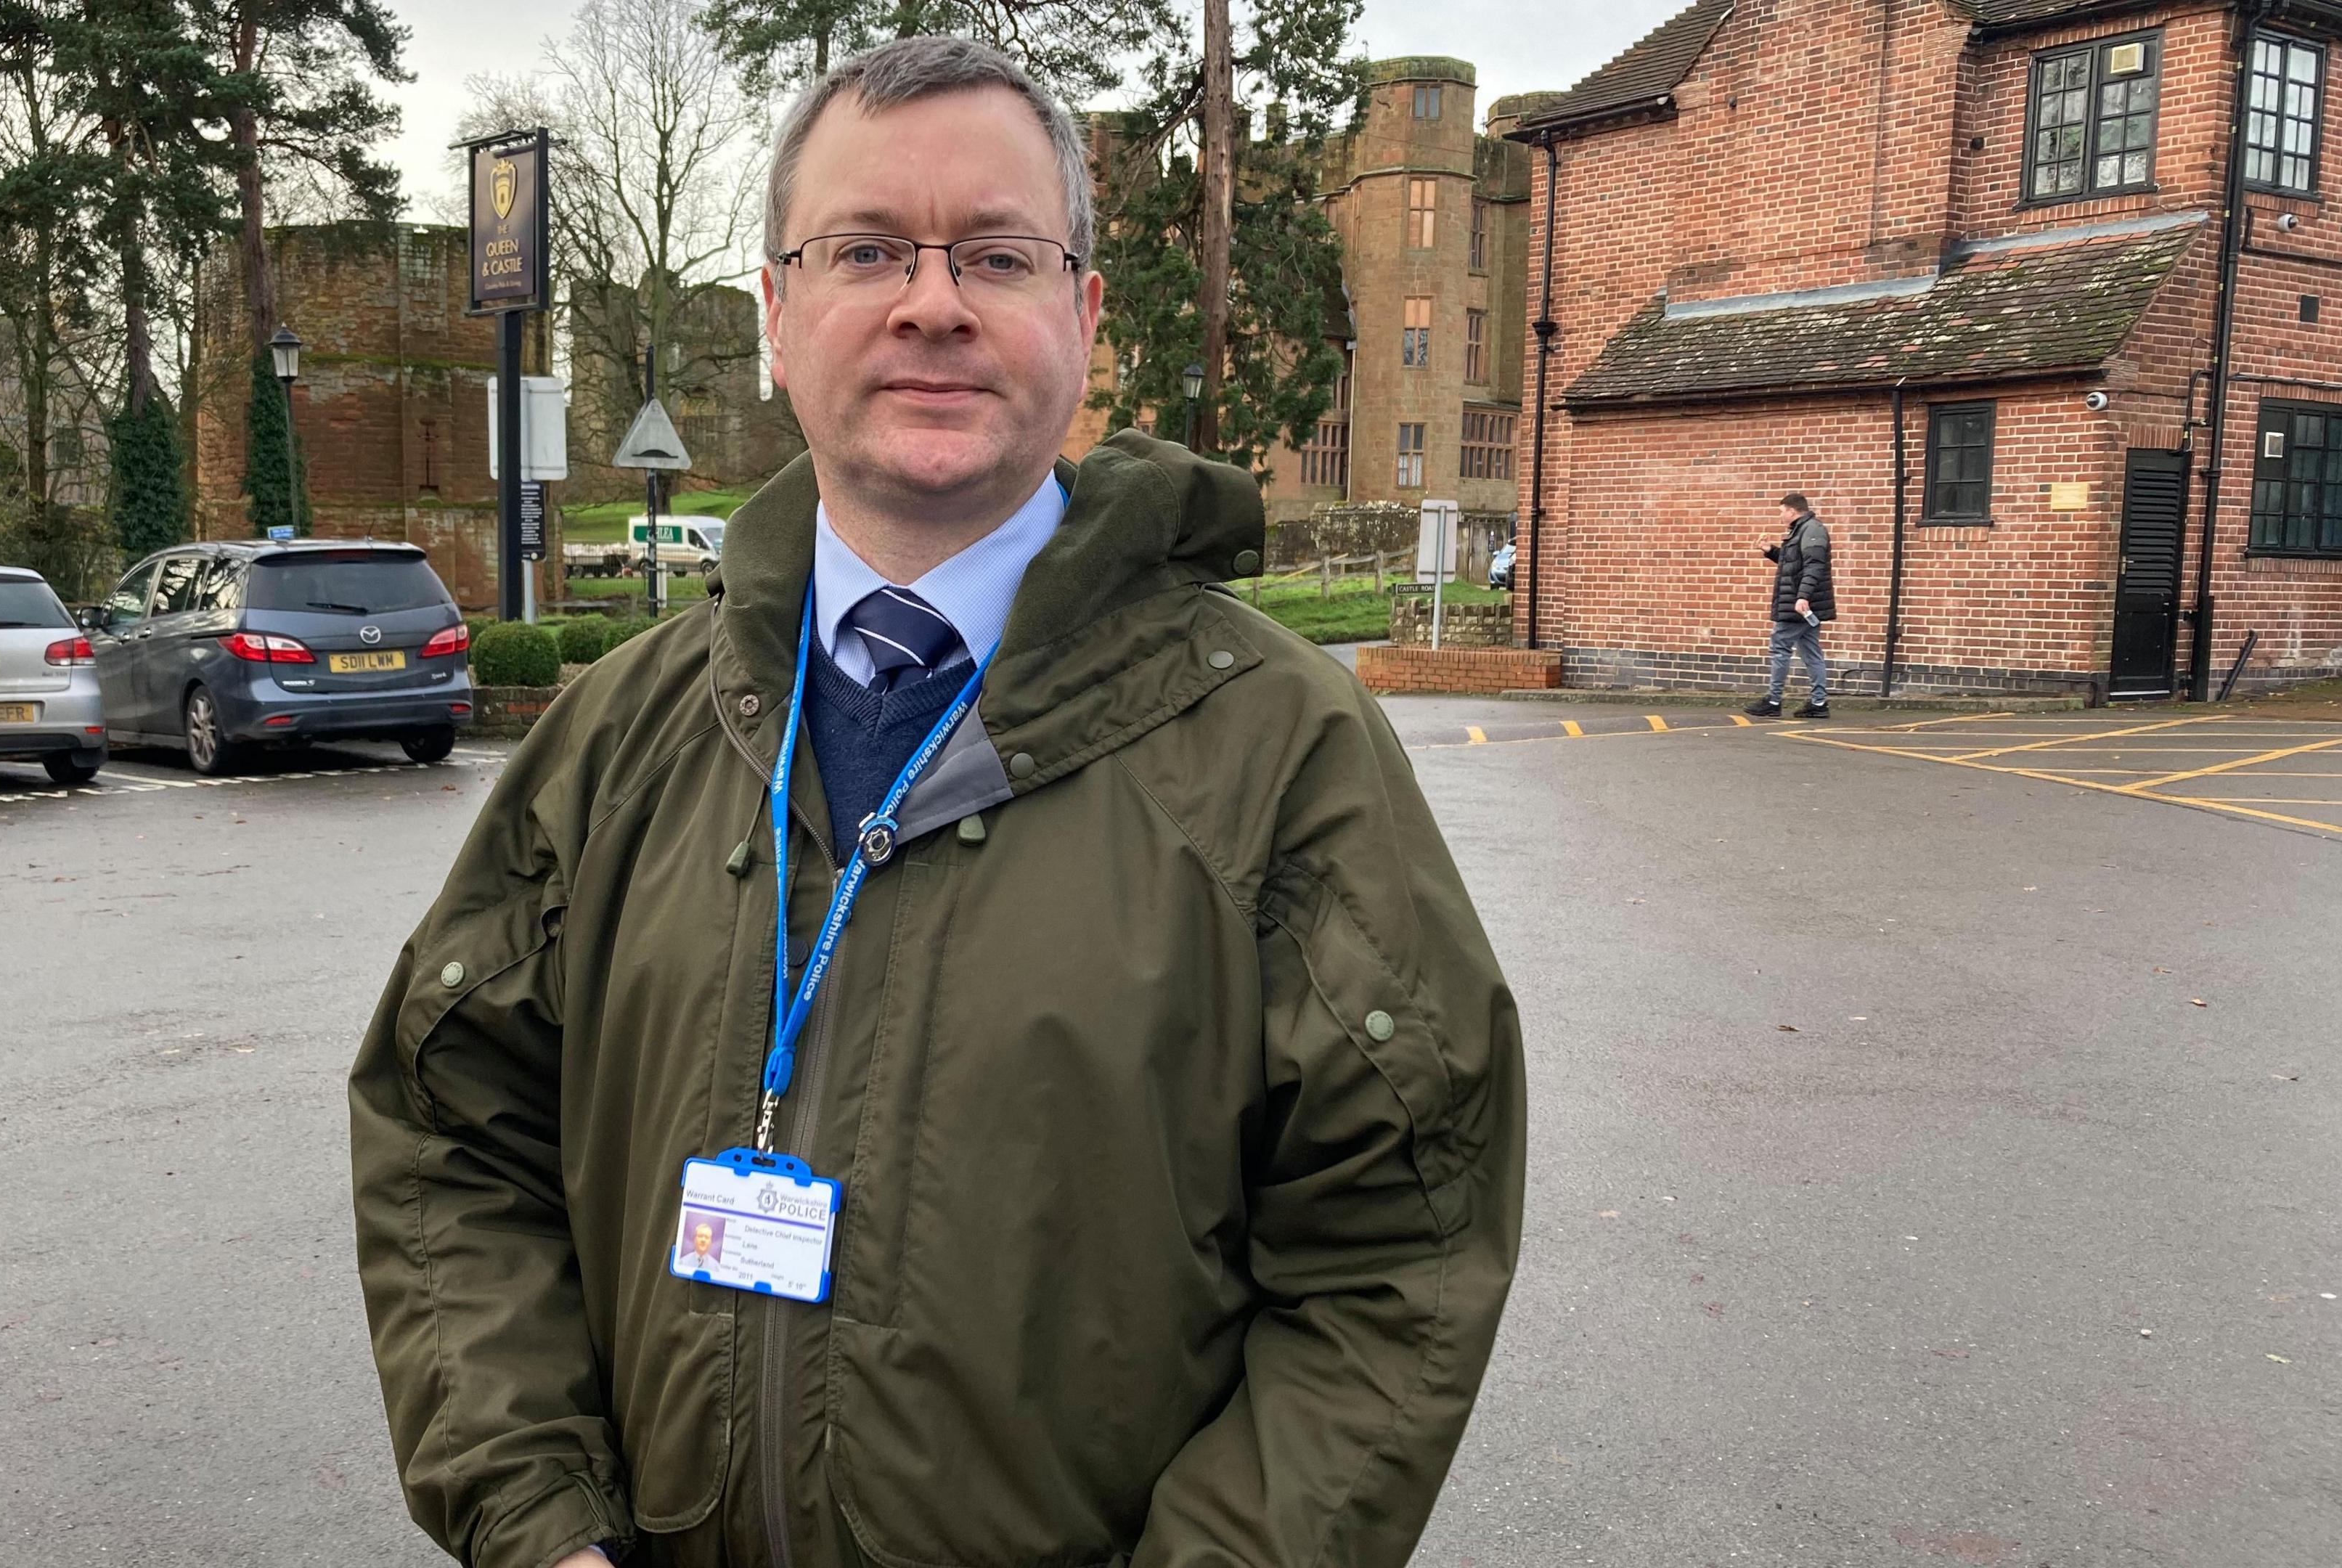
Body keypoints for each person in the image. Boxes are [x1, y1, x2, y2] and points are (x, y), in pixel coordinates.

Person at [350, 36, 1525, 1568]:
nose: (933, 302)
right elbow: (451, 1131)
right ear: (776, 316)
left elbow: (1398, 1254)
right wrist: (539, 1521)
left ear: (1084, 316)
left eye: (997, 253)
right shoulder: (617, 733)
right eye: (866, 251)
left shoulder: (1281, 753)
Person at [1747, 491, 1835, 719]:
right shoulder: (1802, 530)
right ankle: (1818, 703)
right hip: (1802, 604)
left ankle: (1774, 700)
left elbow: (1814, 566)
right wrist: (1772, 552)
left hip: (1799, 604)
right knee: (1811, 651)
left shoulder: (1812, 530)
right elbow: (1794, 565)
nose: (1781, 516)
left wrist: (1803, 597)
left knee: (1780, 646)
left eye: (1782, 512)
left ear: (1793, 511)